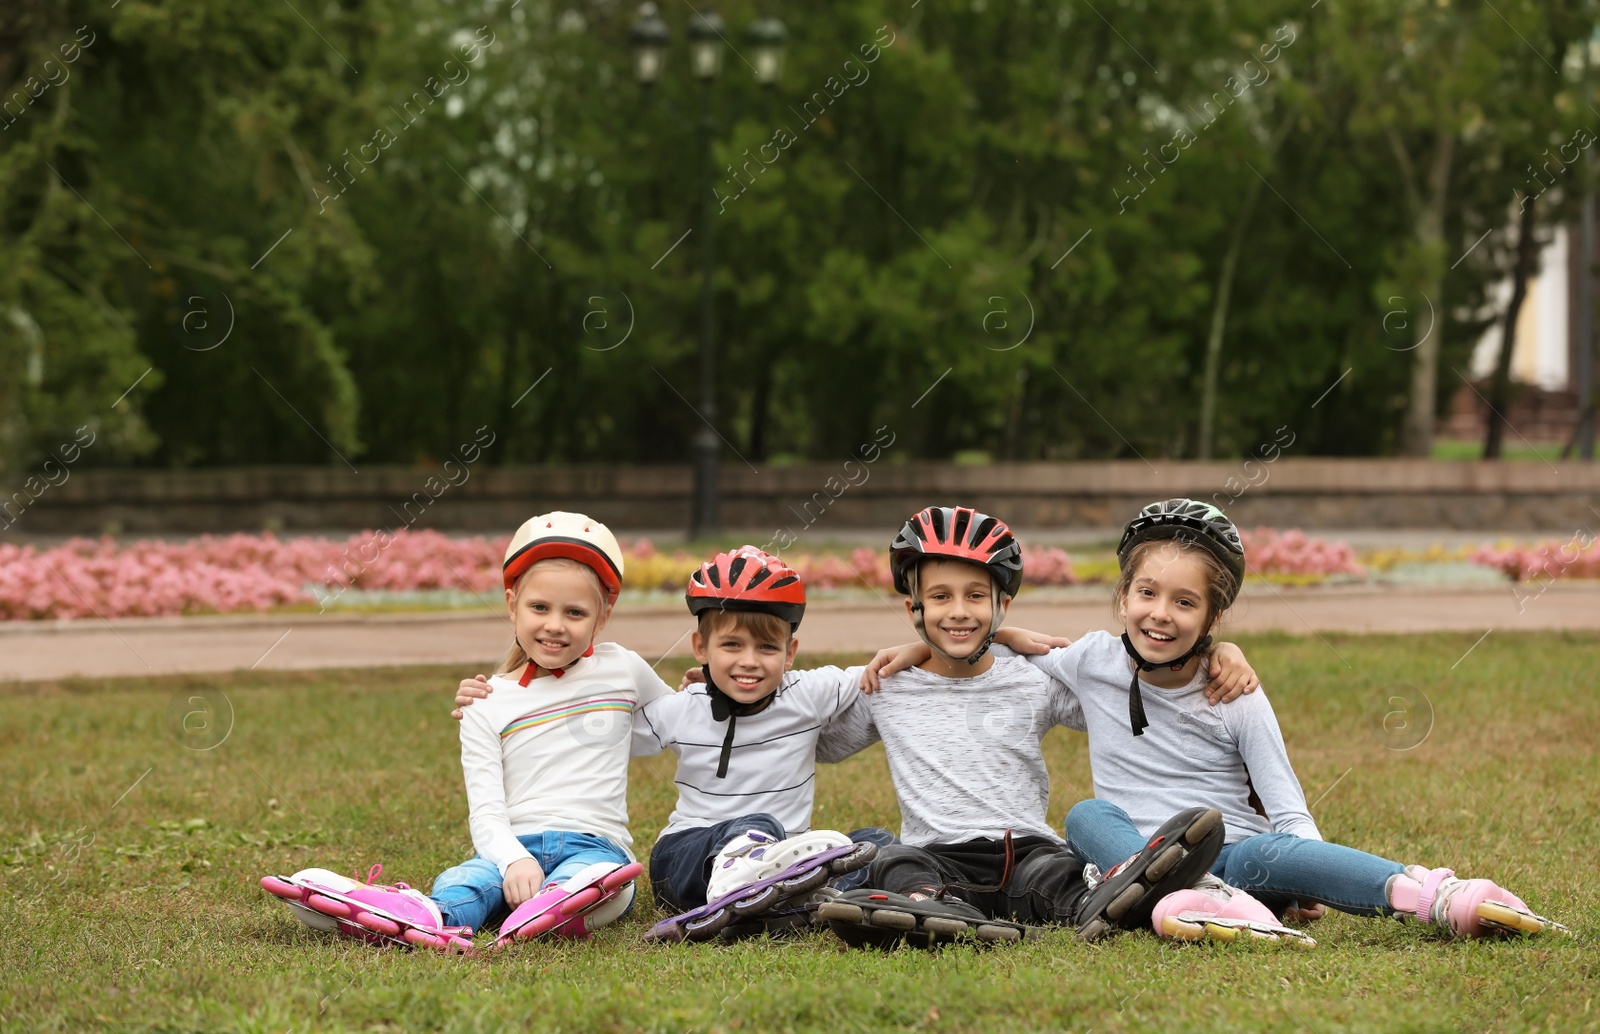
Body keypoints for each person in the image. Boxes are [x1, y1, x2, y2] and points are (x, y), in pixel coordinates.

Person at [939, 498, 1562, 942]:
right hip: (1137, 856)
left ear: (1211, 620)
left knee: (1274, 848)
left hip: (1235, 859)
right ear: (1123, 597)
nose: (1160, 614)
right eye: (1147, 594)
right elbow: (995, 639)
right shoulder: (1091, 660)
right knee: (1086, 815)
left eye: (1185, 603)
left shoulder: (1234, 693)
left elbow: (1288, 810)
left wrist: (1309, 876)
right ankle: (1178, 899)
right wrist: (920, 648)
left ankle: (1432, 897)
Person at [815, 505, 1260, 949]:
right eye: (939, 597)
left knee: (1062, 870)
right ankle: (930, 907)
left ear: (1002, 605)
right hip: (938, 857)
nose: (958, 612)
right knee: (894, 859)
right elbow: (821, 744)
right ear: (913, 606)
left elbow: (1127, 703)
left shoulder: (1032, 678)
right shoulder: (886, 685)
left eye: (975, 596)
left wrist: (1212, 654)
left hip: (1025, 850)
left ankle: (1108, 899)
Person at [263, 512, 670, 951]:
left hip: (596, 846)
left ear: (602, 616)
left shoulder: (623, 667)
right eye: (540, 607)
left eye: (575, 612)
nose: (555, 624)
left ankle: (564, 898)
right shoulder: (484, 702)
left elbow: (671, 726)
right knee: (466, 882)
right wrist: (514, 859)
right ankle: (414, 914)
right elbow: (487, 812)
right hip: (508, 848)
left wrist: (707, 692)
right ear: (512, 604)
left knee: (607, 881)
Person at [456, 545, 894, 943]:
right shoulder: (682, 708)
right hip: (685, 856)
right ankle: (744, 882)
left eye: (766, 647)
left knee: (876, 842)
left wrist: (913, 650)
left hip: (784, 851)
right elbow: (584, 727)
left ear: (791, 651)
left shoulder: (810, 692)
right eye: (731, 645)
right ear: (700, 647)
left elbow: (886, 675)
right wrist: (497, 699)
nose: (748, 661)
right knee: (754, 822)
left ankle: (786, 897)